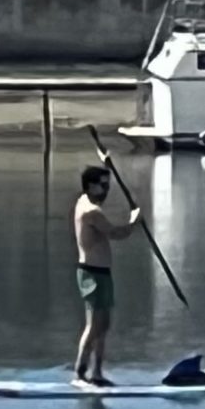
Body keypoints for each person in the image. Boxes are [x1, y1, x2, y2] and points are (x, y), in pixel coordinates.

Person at [72, 165, 143, 388]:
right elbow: (115, 233)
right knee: (94, 326)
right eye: (102, 185)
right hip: (92, 273)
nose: (106, 190)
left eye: (108, 185)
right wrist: (134, 222)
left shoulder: (86, 202)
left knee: (104, 326)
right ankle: (81, 373)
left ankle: (98, 373)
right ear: (90, 186)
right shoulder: (91, 211)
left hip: (101, 272)